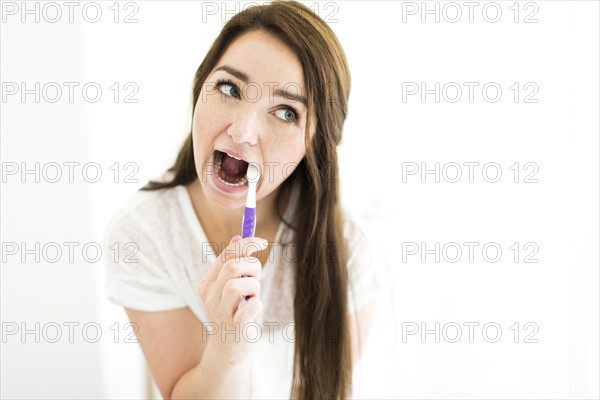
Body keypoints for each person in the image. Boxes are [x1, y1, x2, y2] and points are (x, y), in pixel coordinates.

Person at [104, 1, 386, 398]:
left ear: (316, 145)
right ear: (199, 89)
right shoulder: (143, 235)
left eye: (287, 112)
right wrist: (227, 347)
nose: (243, 131)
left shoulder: (349, 248)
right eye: (230, 88)